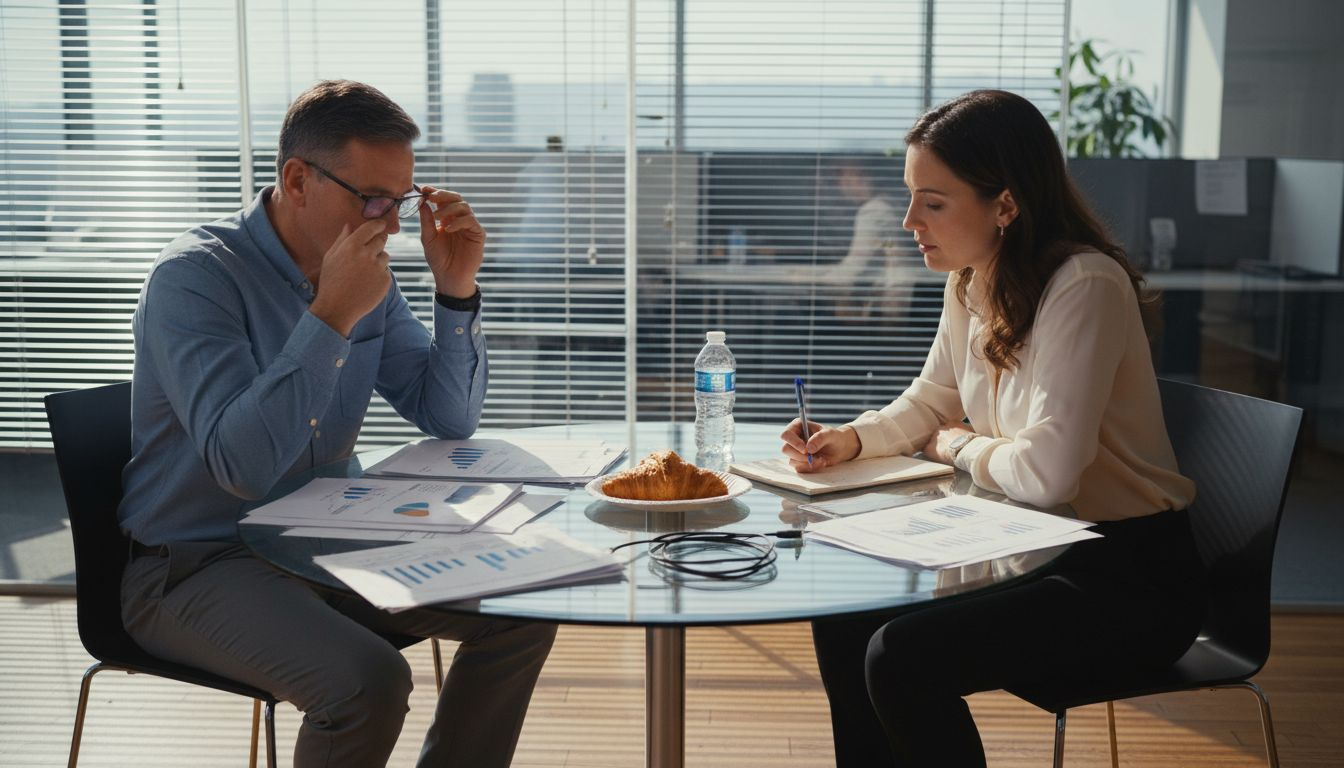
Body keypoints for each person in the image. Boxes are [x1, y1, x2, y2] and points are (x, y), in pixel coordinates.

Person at [117, 80, 556, 768]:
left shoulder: (363, 271)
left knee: (519, 609)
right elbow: (243, 470)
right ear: (297, 179)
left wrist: (456, 289)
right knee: (368, 680)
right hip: (199, 567)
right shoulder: (195, 279)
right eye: (373, 200)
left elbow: (448, 417)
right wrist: (329, 318)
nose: (393, 226)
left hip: (326, 545)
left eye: (402, 202)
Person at [778, 89, 1207, 767]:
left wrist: (956, 444)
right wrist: (853, 438)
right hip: (1037, 547)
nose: (910, 220)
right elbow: (933, 396)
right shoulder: (973, 281)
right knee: (844, 619)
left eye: (934, 202)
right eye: (912, 196)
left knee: (900, 656)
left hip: (1127, 580)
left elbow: (1047, 473)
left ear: (1005, 205)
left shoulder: (1083, 285)